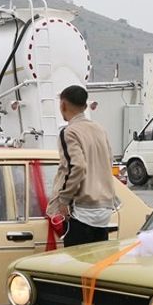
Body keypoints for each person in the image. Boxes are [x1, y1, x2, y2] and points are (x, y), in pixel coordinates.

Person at [47, 85, 120, 247]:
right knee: (96, 266)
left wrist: (64, 199)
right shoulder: (99, 129)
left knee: (76, 266)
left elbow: (77, 166)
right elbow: (109, 162)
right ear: (85, 106)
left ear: (63, 105)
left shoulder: (69, 132)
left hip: (81, 210)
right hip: (104, 210)